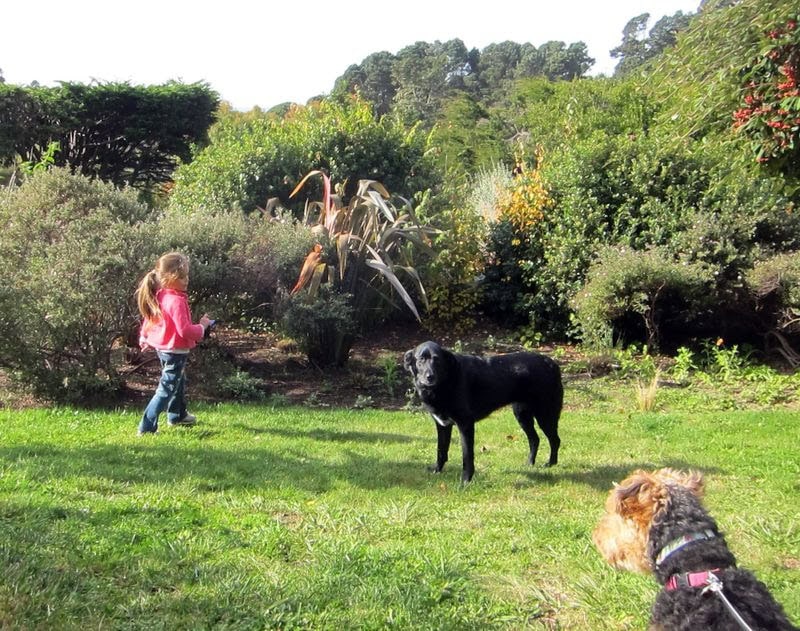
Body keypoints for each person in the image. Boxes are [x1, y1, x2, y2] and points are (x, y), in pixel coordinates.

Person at [135, 252, 212, 436]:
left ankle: (177, 414)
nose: (186, 280)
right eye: (182, 277)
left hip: (165, 349)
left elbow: (151, 318)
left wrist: (145, 335)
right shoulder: (175, 300)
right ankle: (146, 427)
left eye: (187, 276)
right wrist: (202, 327)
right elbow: (184, 330)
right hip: (175, 350)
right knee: (167, 388)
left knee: (178, 381)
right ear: (169, 278)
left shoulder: (162, 295)